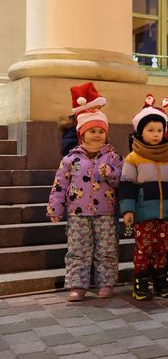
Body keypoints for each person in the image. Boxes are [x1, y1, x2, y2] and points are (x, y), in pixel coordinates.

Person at [47, 84, 122, 302]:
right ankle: (77, 285)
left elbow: (122, 181)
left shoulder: (113, 157)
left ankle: (106, 283)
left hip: (106, 212)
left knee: (106, 249)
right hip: (77, 214)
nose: (97, 135)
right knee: (78, 250)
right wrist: (55, 207)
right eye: (92, 131)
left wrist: (111, 174)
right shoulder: (71, 159)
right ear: (82, 134)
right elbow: (59, 185)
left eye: (101, 131)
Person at [120, 95, 168, 300]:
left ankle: (160, 281)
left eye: (159, 130)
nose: (156, 134)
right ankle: (140, 283)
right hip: (143, 212)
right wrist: (128, 209)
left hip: (165, 213)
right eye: (150, 130)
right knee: (144, 248)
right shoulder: (133, 158)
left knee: (162, 248)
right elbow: (126, 184)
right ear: (140, 132)